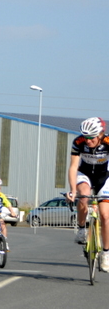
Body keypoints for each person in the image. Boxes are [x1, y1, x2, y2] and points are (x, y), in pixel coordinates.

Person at [66, 116, 109, 272]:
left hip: (104, 176)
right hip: (85, 174)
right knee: (83, 196)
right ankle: (82, 228)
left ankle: (106, 253)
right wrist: (72, 190)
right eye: (85, 137)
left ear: (100, 134)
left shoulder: (108, 142)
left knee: (105, 215)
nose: (88, 141)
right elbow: (73, 167)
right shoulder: (78, 142)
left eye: (91, 138)